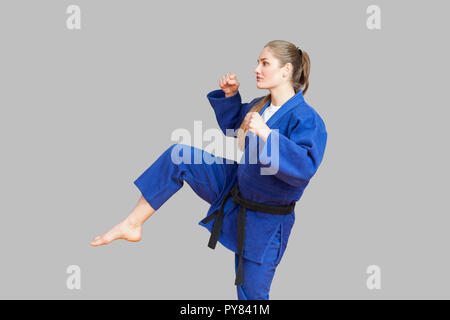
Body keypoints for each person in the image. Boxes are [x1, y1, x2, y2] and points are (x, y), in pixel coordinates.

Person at [90, 40, 328, 300]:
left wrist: (267, 134)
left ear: (285, 71)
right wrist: (230, 97)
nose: (256, 69)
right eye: (258, 62)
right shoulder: (262, 105)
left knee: (251, 296)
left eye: (264, 63)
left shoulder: (307, 119)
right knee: (179, 156)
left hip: (267, 219)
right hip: (235, 185)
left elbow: (303, 167)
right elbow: (234, 124)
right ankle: (132, 224)